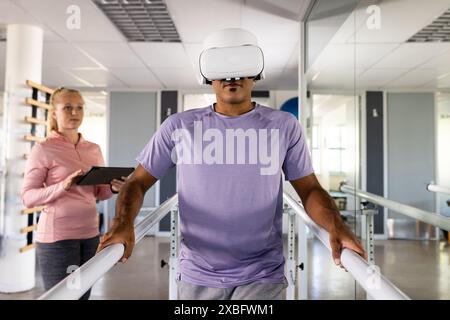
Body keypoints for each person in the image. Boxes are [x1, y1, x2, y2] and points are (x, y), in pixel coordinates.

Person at [97, 28, 366, 300]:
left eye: (240, 66)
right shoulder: (179, 126)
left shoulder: (284, 126)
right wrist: (123, 222)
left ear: (256, 72)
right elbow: (138, 181)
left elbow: (309, 189)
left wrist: (336, 225)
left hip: (263, 274)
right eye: (222, 68)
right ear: (207, 75)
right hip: (198, 273)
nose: (231, 76)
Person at [21, 87, 126, 300]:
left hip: (89, 235)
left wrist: (113, 187)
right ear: (53, 112)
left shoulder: (93, 149)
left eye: (79, 107)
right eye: (67, 107)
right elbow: (28, 197)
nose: (74, 112)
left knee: (83, 296)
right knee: (64, 298)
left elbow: (101, 194)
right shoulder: (43, 149)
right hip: (57, 238)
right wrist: (63, 186)